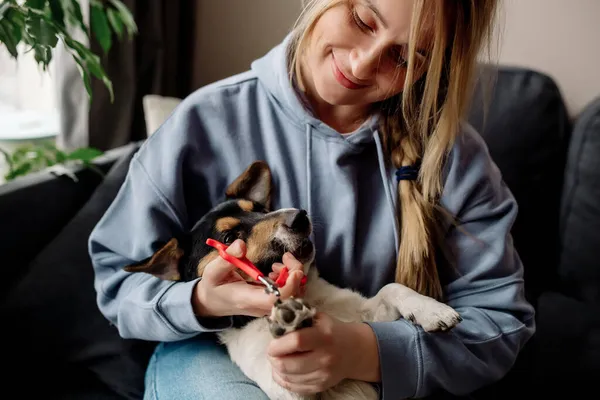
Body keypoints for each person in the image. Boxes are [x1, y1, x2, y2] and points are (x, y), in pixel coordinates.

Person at [88, 0, 536, 399]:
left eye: (405, 56)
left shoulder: (455, 159)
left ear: (431, 66)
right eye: (362, 20)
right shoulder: (203, 120)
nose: (361, 65)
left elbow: (500, 324)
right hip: (211, 354)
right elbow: (118, 284)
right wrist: (200, 302)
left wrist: (363, 351)